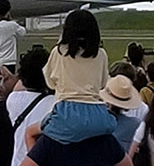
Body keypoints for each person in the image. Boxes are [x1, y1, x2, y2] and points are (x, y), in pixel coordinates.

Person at [40, 9, 113, 144]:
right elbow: (103, 84)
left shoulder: (59, 53)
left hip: (66, 111)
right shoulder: (101, 54)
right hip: (97, 112)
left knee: (33, 133)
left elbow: (50, 82)